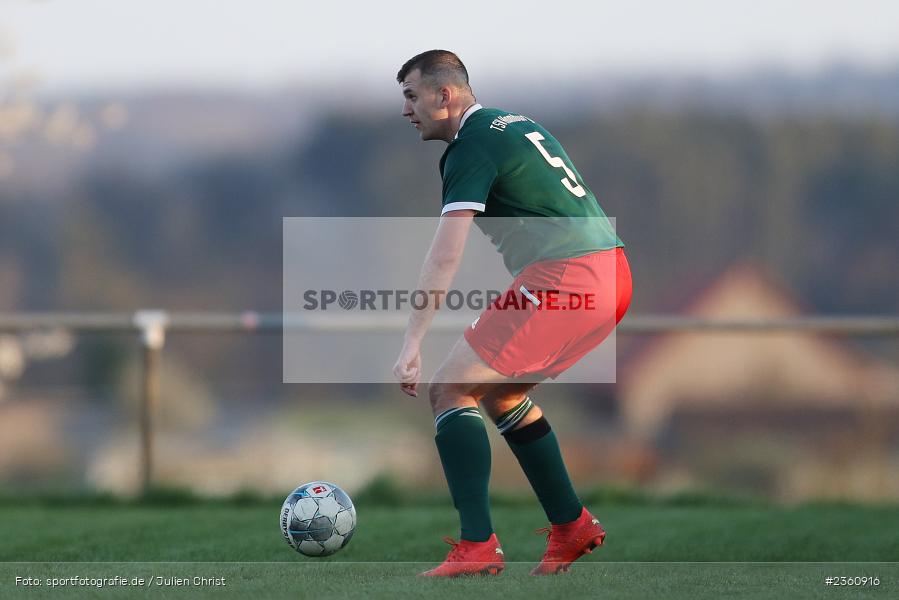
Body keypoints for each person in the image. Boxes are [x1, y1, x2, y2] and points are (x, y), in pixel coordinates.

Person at [392, 50, 632, 577]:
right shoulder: (516, 123)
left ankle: (477, 546)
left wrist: (412, 342)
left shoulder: (469, 145)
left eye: (412, 96)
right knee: (501, 392)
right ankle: (571, 525)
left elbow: (445, 253)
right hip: (612, 271)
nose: (406, 109)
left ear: (444, 95)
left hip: (568, 277)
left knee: (450, 387)